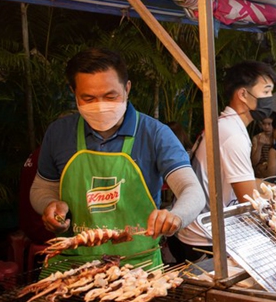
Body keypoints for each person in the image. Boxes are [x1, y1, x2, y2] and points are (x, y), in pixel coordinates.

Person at [30, 47, 204, 270]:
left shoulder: (155, 134)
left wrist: (176, 216)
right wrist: (50, 205)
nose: (101, 105)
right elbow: (40, 188)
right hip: (70, 265)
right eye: (89, 98)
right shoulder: (59, 133)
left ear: (127, 88)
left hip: (137, 266)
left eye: (111, 96)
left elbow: (192, 190)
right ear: (73, 92)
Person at [171, 60, 276, 262]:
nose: (270, 99)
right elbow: (248, 195)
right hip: (203, 237)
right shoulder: (232, 134)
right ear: (243, 95)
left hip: (199, 229)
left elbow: (243, 181)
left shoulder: (227, 125)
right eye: (266, 92)